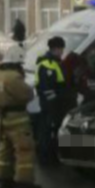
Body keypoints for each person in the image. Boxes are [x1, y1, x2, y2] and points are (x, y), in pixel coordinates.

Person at [0, 47, 42, 188]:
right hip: (18, 119)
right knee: (24, 151)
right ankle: (25, 182)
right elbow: (27, 94)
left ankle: (3, 178)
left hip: (3, 117)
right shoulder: (13, 77)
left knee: (5, 150)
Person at [35, 36, 67, 166]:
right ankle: (46, 158)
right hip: (50, 105)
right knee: (47, 131)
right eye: (61, 49)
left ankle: (50, 156)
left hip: (50, 104)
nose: (62, 52)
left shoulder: (53, 62)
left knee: (49, 130)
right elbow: (47, 89)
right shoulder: (47, 64)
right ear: (56, 49)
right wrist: (54, 105)